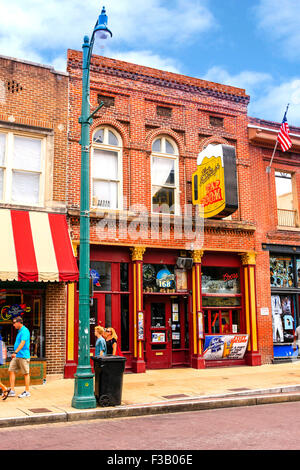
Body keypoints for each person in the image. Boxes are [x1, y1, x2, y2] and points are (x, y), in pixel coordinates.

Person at [7, 316, 31, 398]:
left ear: (19, 322)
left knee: (26, 373)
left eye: (14, 323)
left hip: (23, 355)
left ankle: (27, 392)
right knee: (11, 370)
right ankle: (12, 391)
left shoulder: (25, 331)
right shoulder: (19, 331)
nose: (13, 325)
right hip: (17, 356)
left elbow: (23, 343)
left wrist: (15, 352)